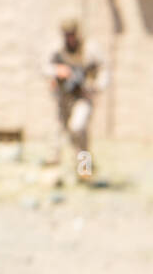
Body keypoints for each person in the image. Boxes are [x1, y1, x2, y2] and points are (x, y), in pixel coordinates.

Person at [43, 17, 109, 180]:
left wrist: (96, 87)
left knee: (78, 127)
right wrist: (57, 71)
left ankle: (84, 167)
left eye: (72, 34)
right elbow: (43, 66)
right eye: (67, 35)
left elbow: (104, 70)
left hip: (82, 96)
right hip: (63, 96)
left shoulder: (90, 48)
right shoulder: (57, 48)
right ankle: (62, 169)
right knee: (60, 132)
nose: (69, 38)